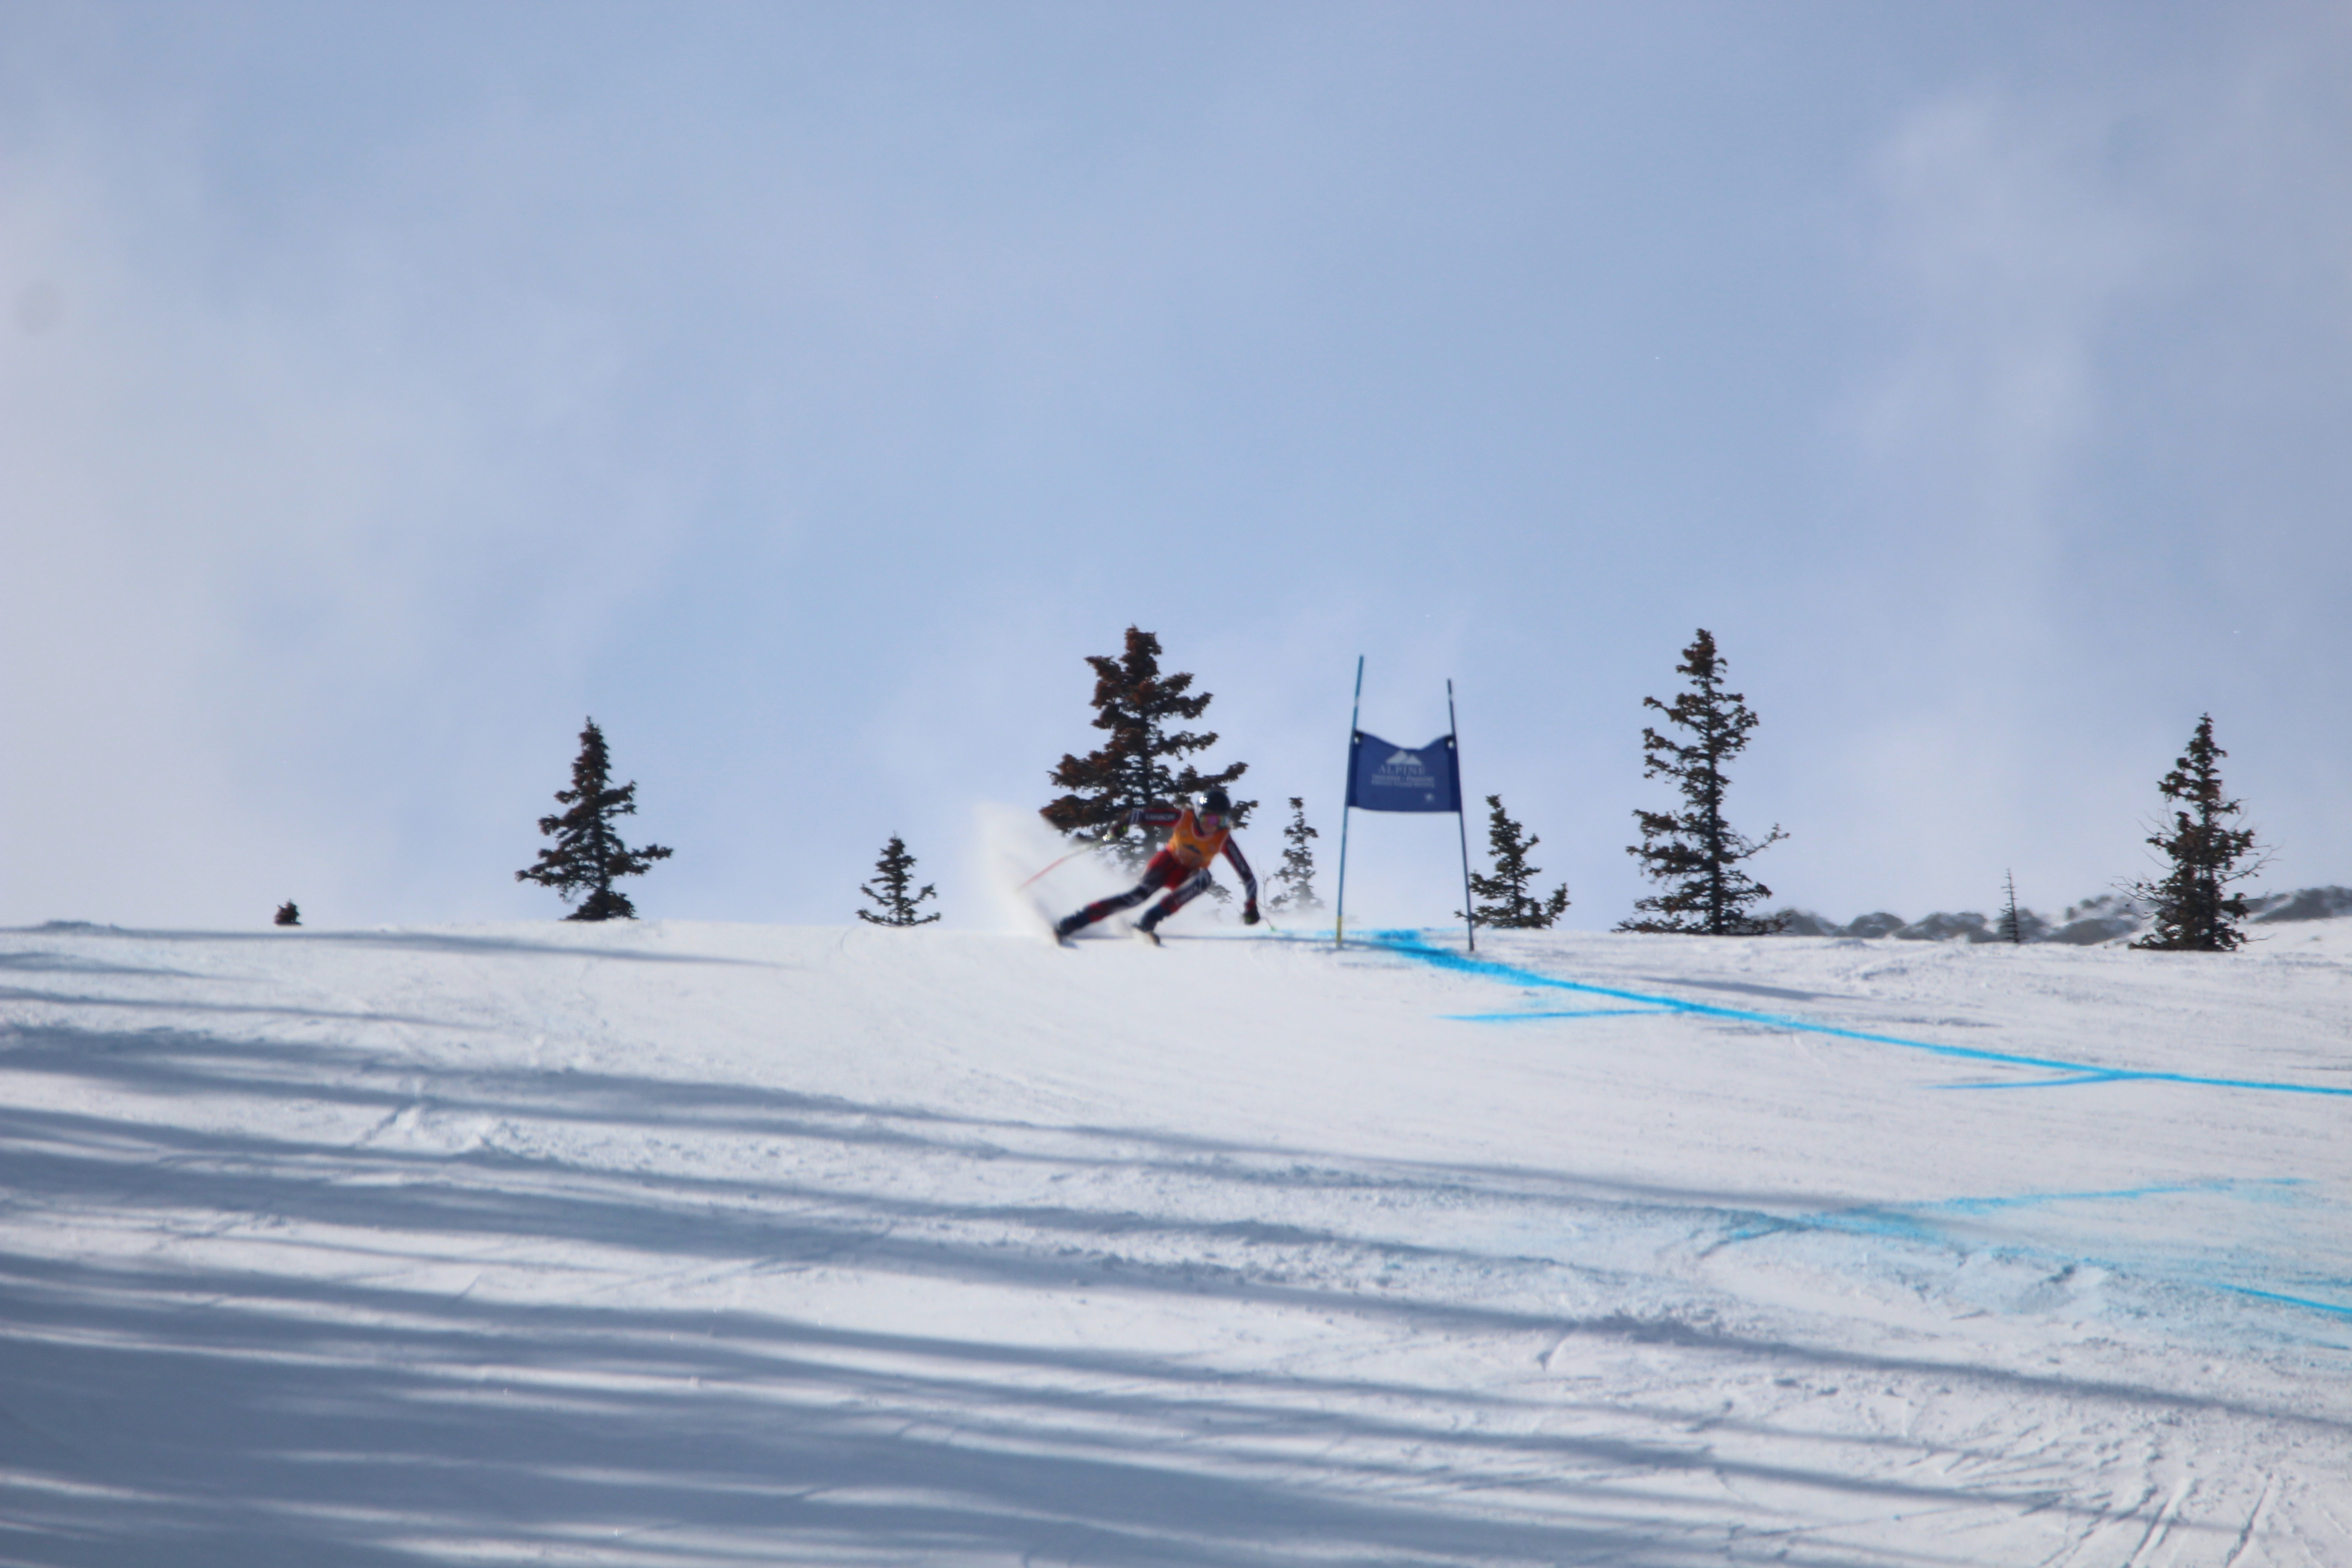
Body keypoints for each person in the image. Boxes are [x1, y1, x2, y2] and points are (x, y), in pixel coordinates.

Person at [1054, 788, 1259, 944]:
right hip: (1165, 865)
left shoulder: (1224, 840)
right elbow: (1139, 815)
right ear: (1198, 814)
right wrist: (1121, 826)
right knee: (1137, 897)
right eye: (1208, 817)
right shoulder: (1183, 819)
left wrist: (1251, 906)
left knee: (1204, 878)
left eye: (1220, 820)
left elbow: (1248, 876)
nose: (1212, 825)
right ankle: (1076, 921)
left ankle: (1150, 919)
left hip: (1187, 875)